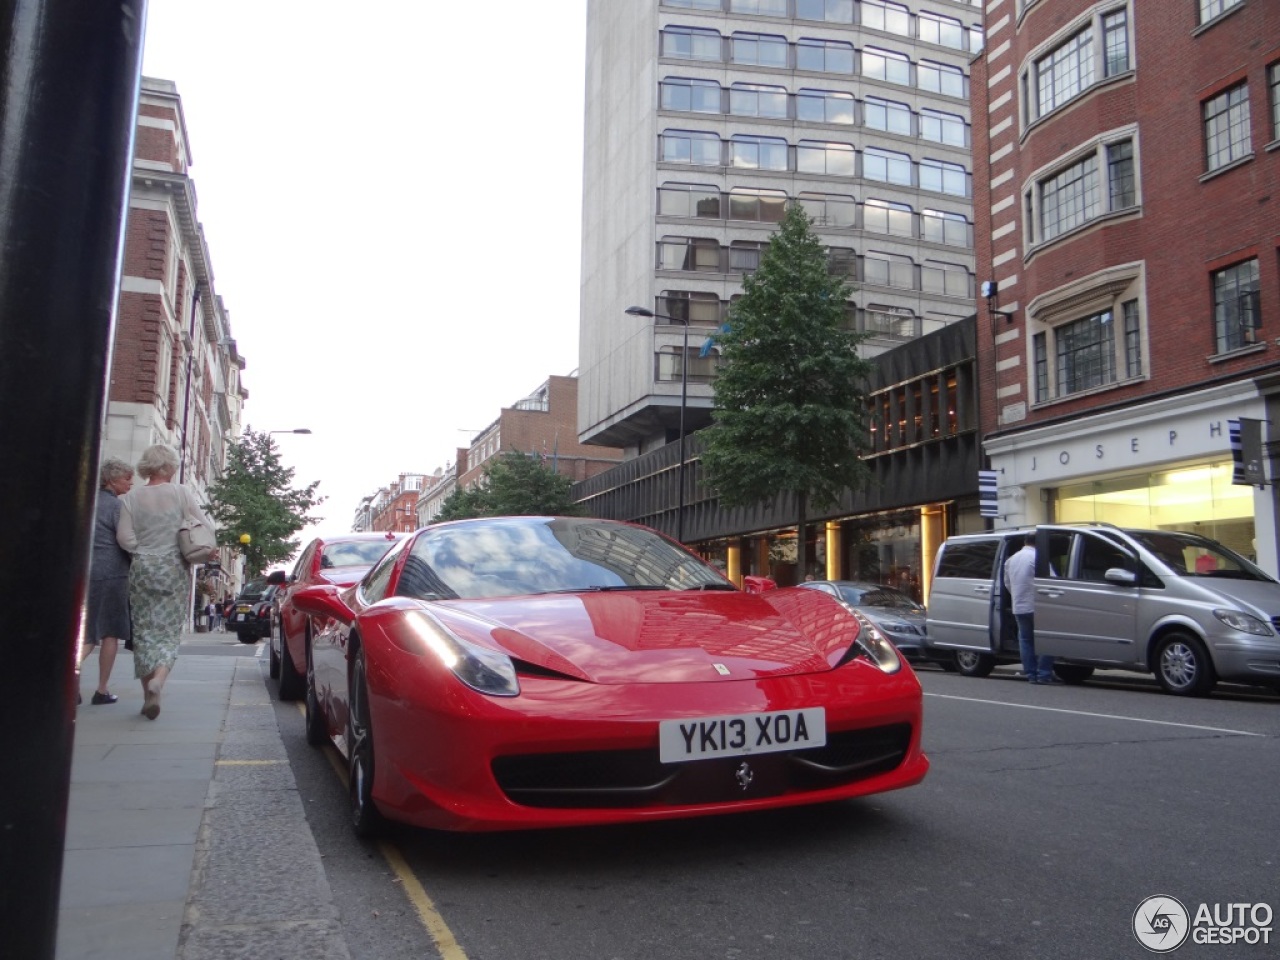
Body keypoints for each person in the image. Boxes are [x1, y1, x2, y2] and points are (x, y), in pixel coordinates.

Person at [116, 443, 215, 720]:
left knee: (145, 631)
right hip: (173, 567)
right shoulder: (181, 493)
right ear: (169, 467)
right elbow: (205, 526)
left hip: (143, 568)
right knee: (168, 631)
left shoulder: (130, 498)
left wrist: (143, 550)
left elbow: (125, 539)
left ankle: (148, 691)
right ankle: (160, 679)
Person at [80, 457, 134, 705]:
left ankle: (71, 683)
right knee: (109, 632)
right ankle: (101, 689)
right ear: (112, 480)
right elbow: (125, 540)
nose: (130, 483)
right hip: (113, 573)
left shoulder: (88, 502)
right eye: (126, 478)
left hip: (88, 571)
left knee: (87, 629)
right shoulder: (116, 507)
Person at [1004, 531, 1060, 684]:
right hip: (1039, 605)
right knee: (1046, 639)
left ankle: (1031, 674)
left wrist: (1018, 595)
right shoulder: (1039, 558)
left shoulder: (1011, 560)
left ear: (1025, 542)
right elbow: (1052, 582)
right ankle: (1044, 673)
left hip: (1019, 605)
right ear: (1039, 543)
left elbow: (1007, 583)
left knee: (1025, 640)